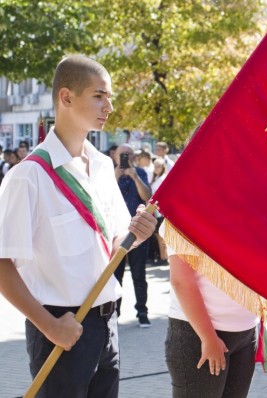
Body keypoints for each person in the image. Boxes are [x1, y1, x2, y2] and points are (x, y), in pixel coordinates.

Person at [0, 54, 156, 397]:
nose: (109, 106)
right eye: (99, 95)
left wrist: (137, 233)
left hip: (108, 323)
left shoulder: (102, 166)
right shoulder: (28, 176)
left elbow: (115, 242)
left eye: (110, 96)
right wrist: (50, 327)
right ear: (66, 97)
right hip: (59, 326)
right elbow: (3, 265)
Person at [162, 223, 267, 397]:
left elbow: (253, 270)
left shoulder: (247, 210)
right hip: (199, 336)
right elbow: (181, 281)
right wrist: (208, 337)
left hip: (245, 334)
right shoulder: (184, 210)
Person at [113, 143, 153, 327]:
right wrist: (116, 175)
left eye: (129, 154)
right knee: (116, 274)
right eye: (122, 154)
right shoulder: (108, 174)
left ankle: (142, 312)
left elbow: (147, 196)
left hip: (138, 232)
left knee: (139, 274)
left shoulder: (140, 172)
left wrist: (135, 177)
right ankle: (115, 313)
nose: (126, 158)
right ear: (115, 156)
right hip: (116, 232)